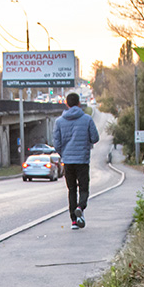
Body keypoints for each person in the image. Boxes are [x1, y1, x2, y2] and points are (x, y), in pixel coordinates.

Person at [52, 92, 100, 229]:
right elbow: (95, 138)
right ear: (79, 103)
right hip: (83, 161)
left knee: (71, 189)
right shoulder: (87, 119)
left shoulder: (59, 121)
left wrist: (64, 154)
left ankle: (73, 220)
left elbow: (57, 143)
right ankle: (81, 206)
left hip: (68, 161)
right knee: (84, 188)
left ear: (66, 104)